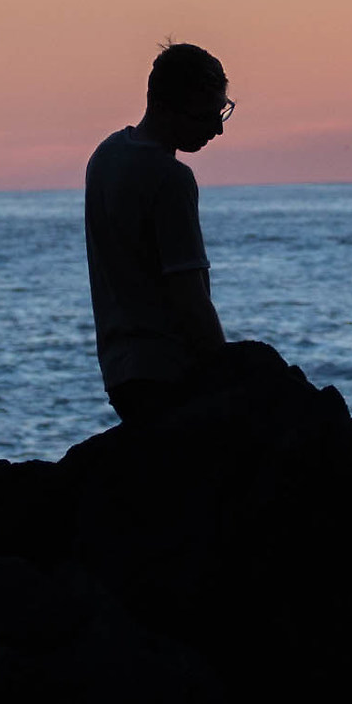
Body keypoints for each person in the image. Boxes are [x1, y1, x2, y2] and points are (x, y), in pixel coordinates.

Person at [84, 42, 235, 422]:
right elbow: (189, 294)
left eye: (222, 112)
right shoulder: (170, 178)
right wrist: (229, 373)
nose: (216, 129)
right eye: (205, 115)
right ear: (166, 106)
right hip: (170, 371)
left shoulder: (106, 155)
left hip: (121, 371)